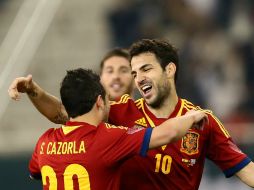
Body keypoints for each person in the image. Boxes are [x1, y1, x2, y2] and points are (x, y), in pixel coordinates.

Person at [8, 39, 254, 189]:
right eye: (134, 73)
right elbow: (66, 113)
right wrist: (35, 91)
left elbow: (245, 169)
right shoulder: (120, 110)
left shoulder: (205, 122)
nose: (139, 78)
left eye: (146, 68)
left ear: (169, 69)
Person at [28, 68, 207, 190]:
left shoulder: (45, 141)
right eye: (108, 100)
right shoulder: (106, 138)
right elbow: (168, 133)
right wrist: (191, 116)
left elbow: (35, 172)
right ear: (99, 102)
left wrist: (32, 91)